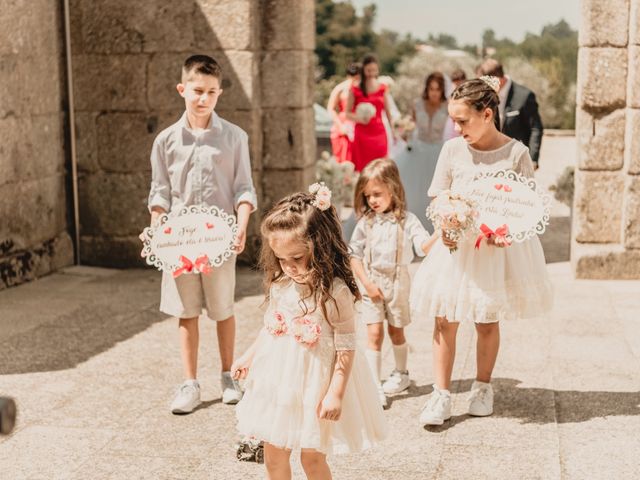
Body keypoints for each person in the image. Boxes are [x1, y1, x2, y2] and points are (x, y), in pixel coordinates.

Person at [411, 77, 553, 426]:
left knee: (487, 319)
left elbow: (525, 207)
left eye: (462, 121)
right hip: (455, 246)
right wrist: (446, 220)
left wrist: (509, 232)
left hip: (493, 251)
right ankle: (440, 395)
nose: (456, 128)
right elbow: (437, 193)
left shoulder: (517, 154)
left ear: (487, 114)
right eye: (454, 121)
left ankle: (482, 386)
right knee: (445, 318)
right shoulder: (452, 150)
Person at [232, 187, 387, 479]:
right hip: (279, 379)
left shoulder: (335, 292)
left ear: (321, 246)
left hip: (316, 382)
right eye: (281, 259)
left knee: (312, 460)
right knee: (274, 455)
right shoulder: (282, 283)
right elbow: (272, 326)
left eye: (297, 258)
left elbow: (346, 344)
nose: (289, 267)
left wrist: (336, 393)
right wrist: (249, 356)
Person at [147, 54, 257, 414]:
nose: (203, 98)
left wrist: (241, 225)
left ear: (220, 92)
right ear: (182, 89)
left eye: (211, 92)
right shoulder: (165, 141)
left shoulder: (235, 138)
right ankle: (190, 383)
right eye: (196, 91)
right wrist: (156, 225)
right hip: (179, 241)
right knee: (186, 310)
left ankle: (228, 375)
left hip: (220, 240)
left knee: (223, 308)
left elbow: (244, 187)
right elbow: (160, 191)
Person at [349, 159, 437, 409]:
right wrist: (366, 284)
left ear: (393, 189)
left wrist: (441, 232)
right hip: (371, 282)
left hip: (398, 283)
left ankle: (401, 373)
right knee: (373, 334)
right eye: (367, 197)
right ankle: (374, 384)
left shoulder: (407, 220)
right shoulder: (366, 222)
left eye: (377, 194)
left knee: (396, 331)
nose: (372, 201)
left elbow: (422, 246)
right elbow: (353, 254)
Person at [394, 72, 454, 232]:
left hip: (437, 152)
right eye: (431, 88)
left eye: (437, 89)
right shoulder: (417, 104)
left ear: (442, 90)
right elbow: (409, 125)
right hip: (417, 150)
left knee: (435, 191)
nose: (434, 92)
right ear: (426, 89)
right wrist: (404, 131)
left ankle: (434, 229)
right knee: (412, 191)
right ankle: (410, 229)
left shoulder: (449, 106)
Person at [477, 58, 544, 168]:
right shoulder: (484, 96)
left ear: (497, 79)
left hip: (516, 160)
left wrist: (532, 159)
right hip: (488, 160)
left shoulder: (524, 96)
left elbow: (535, 128)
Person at [346, 54, 394, 172]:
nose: (372, 73)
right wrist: (360, 119)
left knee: (381, 167)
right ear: (363, 70)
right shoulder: (355, 89)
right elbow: (347, 113)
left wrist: (394, 130)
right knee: (363, 168)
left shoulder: (383, 88)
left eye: (374, 70)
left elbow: (388, 112)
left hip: (378, 133)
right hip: (361, 134)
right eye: (369, 70)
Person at [327, 63, 360, 163]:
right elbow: (331, 108)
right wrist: (340, 125)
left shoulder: (362, 89)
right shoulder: (340, 89)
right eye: (353, 77)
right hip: (343, 124)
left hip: (357, 123)